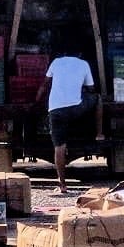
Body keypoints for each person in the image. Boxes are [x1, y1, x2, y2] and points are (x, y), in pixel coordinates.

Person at [34, 40, 103, 193]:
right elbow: (91, 88)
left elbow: (45, 85)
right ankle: (99, 133)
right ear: (79, 54)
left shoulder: (56, 62)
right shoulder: (84, 64)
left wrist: (36, 102)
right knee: (97, 98)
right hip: (76, 109)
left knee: (59, 147)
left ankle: (63, 185)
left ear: (63, 53)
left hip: (55, 110)